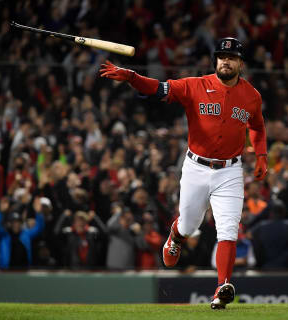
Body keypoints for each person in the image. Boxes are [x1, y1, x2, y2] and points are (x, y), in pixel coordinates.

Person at [99, 37, 268, 309]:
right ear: (215, 61)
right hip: (196, 168)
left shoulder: (252, 96)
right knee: (189, 225)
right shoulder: (195, 85)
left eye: (232, 57)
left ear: (240, 63)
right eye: (221, 56)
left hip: (230, 171)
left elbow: (258, 127)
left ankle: (221, 287)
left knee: (228, 230)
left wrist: (261, 155)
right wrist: (132, 77)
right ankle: (175, 236)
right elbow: (157, 88)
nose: (226, 61)